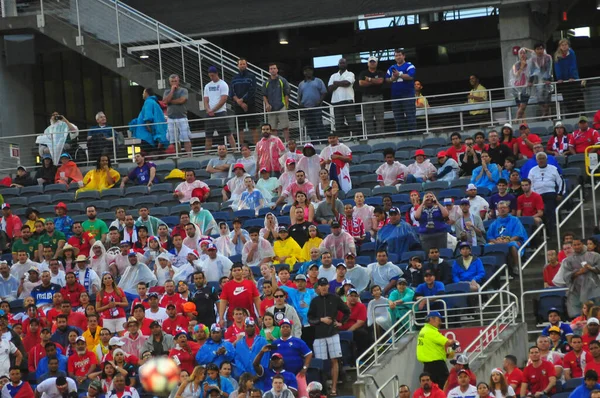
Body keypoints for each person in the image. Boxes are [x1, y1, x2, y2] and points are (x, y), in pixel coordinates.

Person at [307, 278, 350, 397]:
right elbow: (310, 318)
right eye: (321, 285)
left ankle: (334, 388)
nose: (324, 287)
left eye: (325, 285)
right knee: (321, 363)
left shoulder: (335, 298)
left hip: (333, 333)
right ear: (318, 287)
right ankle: (322, 388)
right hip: (319, 335)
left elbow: (347, 311)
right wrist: (321, 319)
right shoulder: (315, 301)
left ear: (328, 286)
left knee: (334, 360)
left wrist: (341, 322)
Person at [417, 312, 457, 388]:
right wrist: (454, 342)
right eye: (439, 320)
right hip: (437, 365)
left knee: (431, 388)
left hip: (427, 365)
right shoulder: (431, 331)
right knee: (445, 386)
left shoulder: (423, 330)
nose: (440, 322)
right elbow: (447, 342)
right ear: (431, 319)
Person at [562, 237, 600, 318]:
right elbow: (565, 276)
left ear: (583, 244)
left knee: (596, 313)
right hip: (577, 291)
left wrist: (590, 268)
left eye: (578, 244)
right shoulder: (568, 260)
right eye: (574, 245)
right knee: (580, 316)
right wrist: (579, 272)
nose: (577, 246)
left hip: (594, 290)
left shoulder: (595, 256)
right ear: (572, 246)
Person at [528, 152, 565, 230]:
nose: (541, 160)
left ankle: (553, 228)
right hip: (537, 194)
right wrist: (534, 195)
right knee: (541, 212)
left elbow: (561, 181)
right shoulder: (532, 170)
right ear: (536, 160)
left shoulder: (553, 169)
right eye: (539, 159)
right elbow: (530, 184)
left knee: (550, 210)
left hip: (550, 193)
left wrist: (560, 193)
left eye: (543, 158)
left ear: (546, 159)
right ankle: (544, 230)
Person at [204, 66, 236, 151]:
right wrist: (208, 109)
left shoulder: (223, 84)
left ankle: (235, 150)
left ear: (217, 74)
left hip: (220, 112)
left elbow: (224, 99)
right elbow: (206, 100)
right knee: (208, 135)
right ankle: (206, 154)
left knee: (228, 133)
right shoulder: (207, 86)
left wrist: (213, 110)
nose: (211, 77)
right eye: (210, 76)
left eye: (213, 75)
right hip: (210, 113)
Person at [385, 48, 416, 132]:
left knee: (410, 115)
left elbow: (410, 76)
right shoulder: (392, 67)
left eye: (399, 55)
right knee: (398, 116)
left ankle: (412, 133)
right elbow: (387, 79)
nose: (398, 57)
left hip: (408, 95)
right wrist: (393, 78)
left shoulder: (409, 65)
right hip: (395, 96)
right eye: (396, 55)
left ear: (403, 56)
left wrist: (399, 75)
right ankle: (400, 134)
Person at [129, 87, 169, 152]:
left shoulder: (148, 102)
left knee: (149, 153)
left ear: (146, 93)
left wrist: (152, 132)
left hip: (147, 136)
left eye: (143, 93)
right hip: (153, 134)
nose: (142, 94)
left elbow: (148, 118)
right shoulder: (154, 102)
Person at [328, 58, 360, 137]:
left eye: (344, 63)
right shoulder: (333, 75)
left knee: (351, 120)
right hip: (336, 101)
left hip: (348, 100)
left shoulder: (350, 74)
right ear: (338, 65)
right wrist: (340, 83)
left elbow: (347, 83)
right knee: (338, 123)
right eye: (341, 63)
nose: (342, 64)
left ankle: (355, 138)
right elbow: (329, 88)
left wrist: (336, 83)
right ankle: (341, 138)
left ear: (346, 64)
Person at [230, 58, 258, 145]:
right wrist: (239, 102)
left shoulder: (251, 76)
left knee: (253, 126)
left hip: (250, 104)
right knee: (240, 127)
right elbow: (231, 92)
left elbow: (252, 90)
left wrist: (243, 100)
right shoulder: (234, 78)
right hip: (238, 105)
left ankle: (257, 147)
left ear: (246, 65)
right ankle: (242, 147)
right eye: (240, 64)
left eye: (244, 64)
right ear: (237, 65)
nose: (242, 65)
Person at [163, 74, 192, 156]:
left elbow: (182, 100)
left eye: (175, 81)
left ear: (178, 81)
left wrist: (170, 101)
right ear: (169, 82)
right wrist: (172, 91)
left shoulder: (183, 90)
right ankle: (178, 156)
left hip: (182, 117)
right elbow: (165, 102)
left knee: (186, 138)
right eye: (172, 81)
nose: (174, 83)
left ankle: (189, 156)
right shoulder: (167, 91)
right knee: (174, 140)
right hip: (171, 118)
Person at [262, 63, 291, 142]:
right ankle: (275, 144)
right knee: (273, 128)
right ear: (269, 70)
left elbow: (287, 93)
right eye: (271, 68)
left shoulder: (282, 80)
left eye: (274, 68)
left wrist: (286, 105)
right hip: (271, 108)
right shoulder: (266, 83)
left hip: (281, 107)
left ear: (277, 70)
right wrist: (267, 104)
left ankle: (288, 143)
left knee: (285, 127)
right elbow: (264, 95)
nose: (273, 70)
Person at [298, 66, 327, 141]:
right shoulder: (301, 84)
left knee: (318, 123)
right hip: (306, 108)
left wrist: (319, 101)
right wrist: (300, 103)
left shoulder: (318, 81)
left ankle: (323, 139)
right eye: (306, 71)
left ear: (312, 71)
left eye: (309, 70)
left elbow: (324, 92)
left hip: (316, 107)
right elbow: (299, 95)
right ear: (304, 73)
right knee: (309, 125)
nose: (308, 72)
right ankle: (314, 140)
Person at [359, 56, 385, 135]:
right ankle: (370, 136)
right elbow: (361, 83)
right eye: (371, 62)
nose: (372, 63)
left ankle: (380, 135)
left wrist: (369, 79)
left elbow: (380, 81)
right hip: (366, 98)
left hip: (378, 97)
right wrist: (374, 82)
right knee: (368, 118)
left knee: (380, 118)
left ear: (376, 63)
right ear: (368, 63)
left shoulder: (380, 72)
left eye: (374, 62)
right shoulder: (363, 73)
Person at [554, 38, 580, 115]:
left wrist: (572, 76)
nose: (564, 46)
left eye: (566, 45)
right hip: (563, 81)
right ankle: (570, 114)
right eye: (562, 45)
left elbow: (573, 65)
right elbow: (557, 68)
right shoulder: (557, 55)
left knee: (573, 98)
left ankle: (575, 113)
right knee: (566, 99)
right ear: (560, 46)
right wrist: (559, 78)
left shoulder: (571, 53)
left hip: (572, 79)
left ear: (568, 45)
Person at [510, 48, 531, 122]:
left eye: (524, 53)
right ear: (518, 55)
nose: (522, 55)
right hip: (517, 88)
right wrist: (522, 66)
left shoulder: (530, 63)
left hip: (526, 88)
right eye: (521, 53)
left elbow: (535, 54)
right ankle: (523, 123)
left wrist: (526, 48)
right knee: (520, 107)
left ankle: (516, 119)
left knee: (523, 106)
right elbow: (516, 75)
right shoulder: (516, 65)